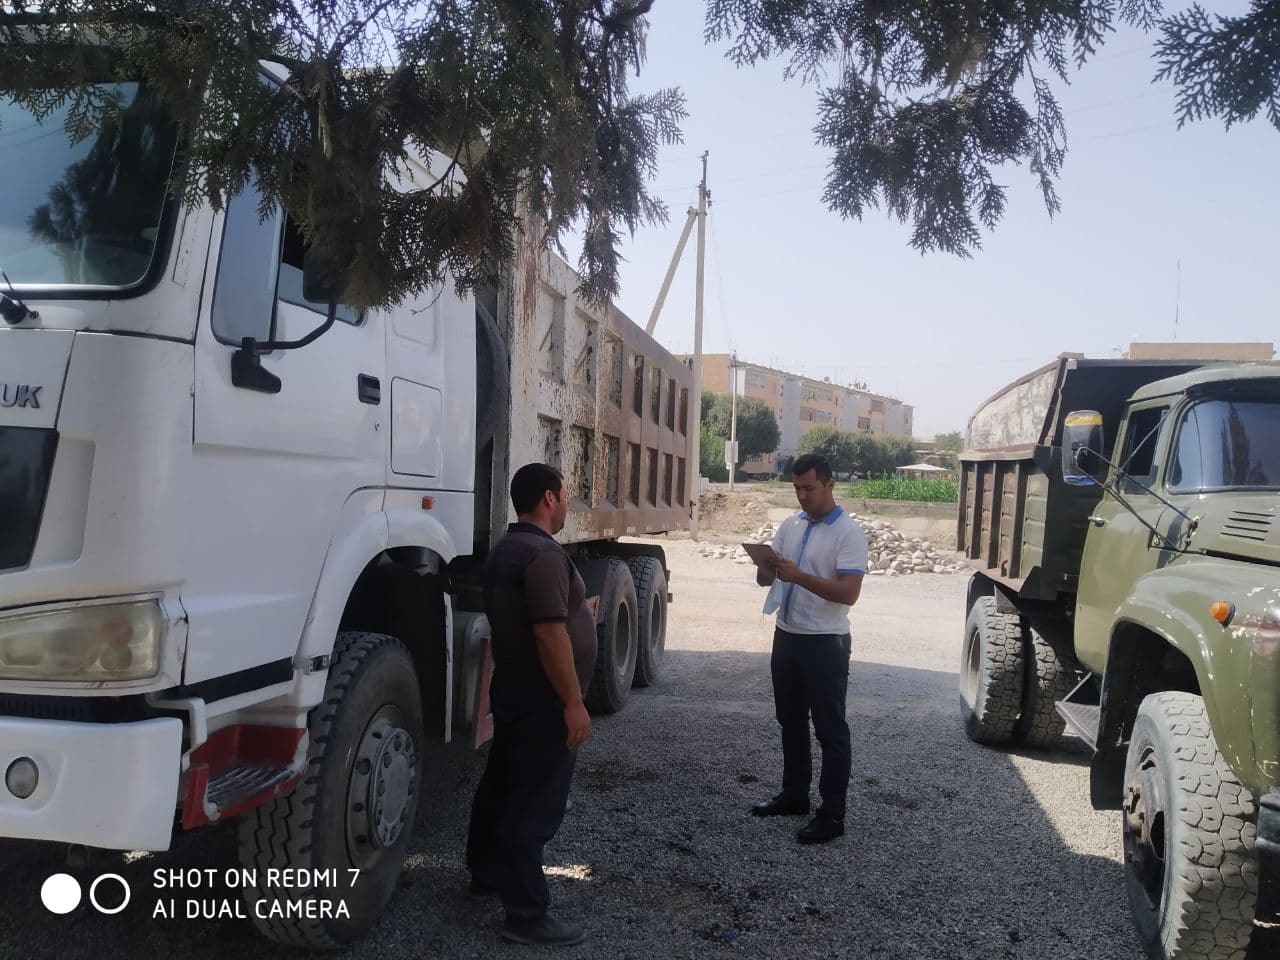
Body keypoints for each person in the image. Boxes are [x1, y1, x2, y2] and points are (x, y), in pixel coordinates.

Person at [466, 463, 597, 945]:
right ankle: (526, 913)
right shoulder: (542, 555)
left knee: (502, 785)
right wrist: (573, 703)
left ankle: (486, 874)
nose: (566, 505)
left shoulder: (507, 548)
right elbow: (549, 633)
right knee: (534, 802)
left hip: (516, 689)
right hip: (544, 700)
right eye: (564, 495)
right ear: (548, 498)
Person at [749, 453, 867, 844]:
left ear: (830, 484)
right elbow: (766, 581)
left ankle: (832, 815)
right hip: (787, 636)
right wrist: (765, 566)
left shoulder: (848, 533)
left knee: (830, 730)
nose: (802, 496)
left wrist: (799, 576)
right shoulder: (791, 524)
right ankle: (795, 795)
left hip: (825, 642)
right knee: (791, 721)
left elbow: (849, 593)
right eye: (796, 488)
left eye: (809, 488)